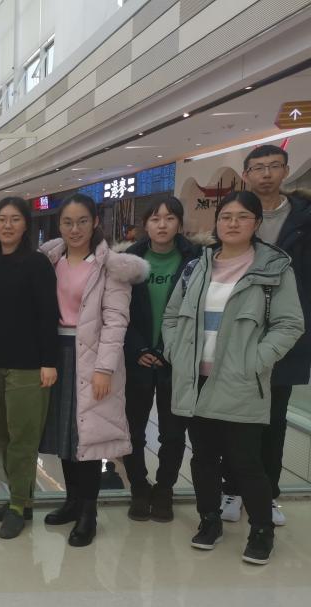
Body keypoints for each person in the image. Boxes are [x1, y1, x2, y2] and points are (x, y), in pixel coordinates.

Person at [163, 191, 302, 565]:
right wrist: (176, 352)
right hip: (197, 380)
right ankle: (209, 520)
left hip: (241, 380)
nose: (233, 223)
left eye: (242, 217)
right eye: (226, 216)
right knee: (203, 458)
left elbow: (290, 323)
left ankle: (261, 530)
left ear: (256, 223)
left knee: (246, 461)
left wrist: (256, 360)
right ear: (217, 222)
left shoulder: (274, 269)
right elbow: (172, 315)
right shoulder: (197, 266)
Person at [38, 194, 148, 547]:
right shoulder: (50, 259)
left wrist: (105, 369)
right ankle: (71, 501)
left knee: (89, 436)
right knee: (66, 436)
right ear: (59, 225)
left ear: (95, 222)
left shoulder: (110, 266)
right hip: (57, 354)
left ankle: (89, 512)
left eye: (82, 221)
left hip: (93, 357)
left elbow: (116, 321)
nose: (75, 229)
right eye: (68, 222)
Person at [220, 145, 311, 525]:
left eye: (274, 166)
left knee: (273, 420)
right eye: (258, 168)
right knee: (232, 418)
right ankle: (231, 489)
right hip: (238, 332)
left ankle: (268, 495)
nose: (267, 174)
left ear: (286, 170)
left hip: (286, 334)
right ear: (246, 175)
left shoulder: (304, 218)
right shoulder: (237, 214)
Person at [0, 198, 60, 539]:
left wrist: (48, 362)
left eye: (15, 219)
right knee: (3, 434)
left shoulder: (37, 264)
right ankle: (21, 499)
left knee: (23, 439)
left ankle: (17, 506)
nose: (7, 225)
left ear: (26, 225)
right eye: (2, 219)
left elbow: (47, 314)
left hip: (28, 367)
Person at [121, 195, 202, 523]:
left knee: (172, 432)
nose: (162, 225)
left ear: (180, 223)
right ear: (146, 225)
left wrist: (170, 349)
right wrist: (138, 349)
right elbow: (118, 311)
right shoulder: (130, 260)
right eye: (155, 219)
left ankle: (165, 488)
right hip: (138, 358)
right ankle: (139, 487)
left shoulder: (196, 259)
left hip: (177, 358)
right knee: (133, 430)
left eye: (169, 219)